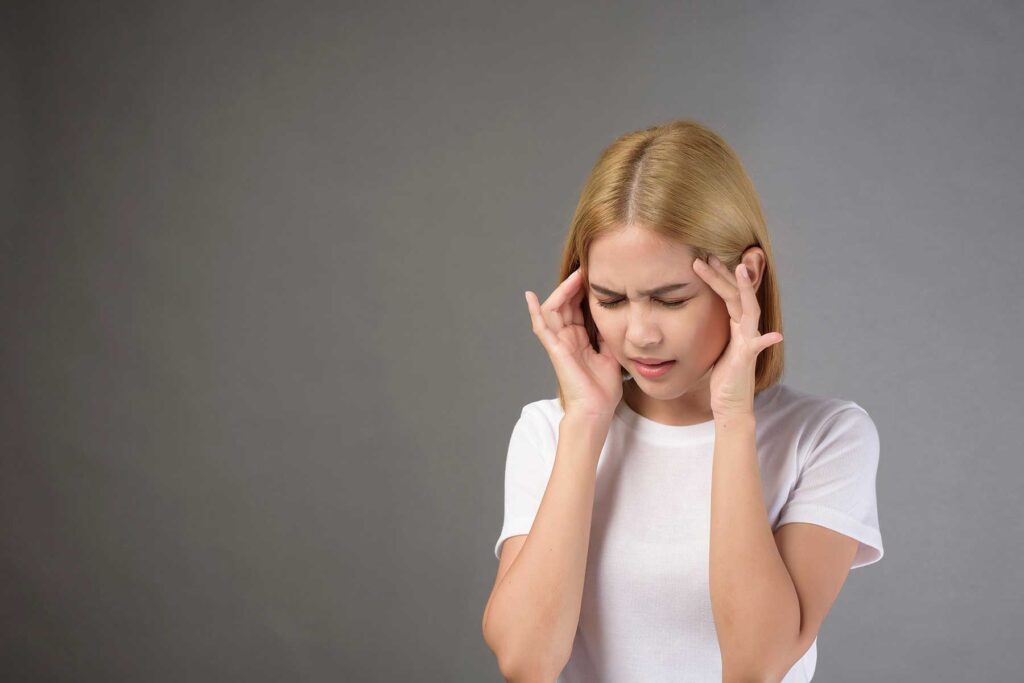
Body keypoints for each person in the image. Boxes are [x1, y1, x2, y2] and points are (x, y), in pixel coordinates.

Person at [481, 119, 884, 682]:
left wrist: (734, 420)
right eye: (610, 299)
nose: (640, 334)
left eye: (670, 300)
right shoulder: (548, 431)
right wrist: (588, 422)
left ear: (745, 277)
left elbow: (757, 665)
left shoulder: (826, 436)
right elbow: (527, 662)